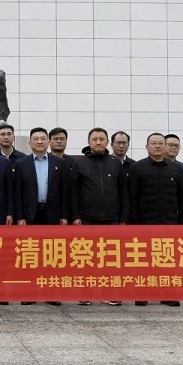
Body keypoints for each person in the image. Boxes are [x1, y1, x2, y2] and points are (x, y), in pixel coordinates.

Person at [70, 127, 129, 306]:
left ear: (107, 142)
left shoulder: (115, 163)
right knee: (86, 257)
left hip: (112, 219)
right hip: (87, 218)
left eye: (102, 139)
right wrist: (76, 216)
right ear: (88, 142)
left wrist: (123, 218)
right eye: (94, 139)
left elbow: (123, 193)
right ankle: (85, 293)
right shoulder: (80, 163)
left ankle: (111, 293)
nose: (98, 142)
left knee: (111, 258)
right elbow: (74, 193)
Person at [128, 133, 183, 307]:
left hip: (169, 222)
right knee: (143, 260)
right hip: (144, 222)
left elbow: (182, 197)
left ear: (165, 146)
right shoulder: (137, 168)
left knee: (168, 259)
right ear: (147, 147)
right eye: (153, 143)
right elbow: (132, 197)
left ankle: (168, 294)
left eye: (161, 143)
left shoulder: (176, 169)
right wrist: (132, 221)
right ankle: (142, 293)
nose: (157, 146)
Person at [13, 127, 69, 226]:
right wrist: (20, 217)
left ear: (48, 142)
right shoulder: (21, 164)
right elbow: (18, 193)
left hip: (54, 214)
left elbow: (64, 191)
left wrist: (64, 216)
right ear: (30, 143)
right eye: (36, 139)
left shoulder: (60, 163)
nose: (39, 142)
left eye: (43, 139)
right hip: (29, 214)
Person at [163, 134, 183, 223]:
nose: (174, 148)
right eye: (170, 145)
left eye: (176, 146)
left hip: (176, 214)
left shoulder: (182, 167)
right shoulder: (154, 164)